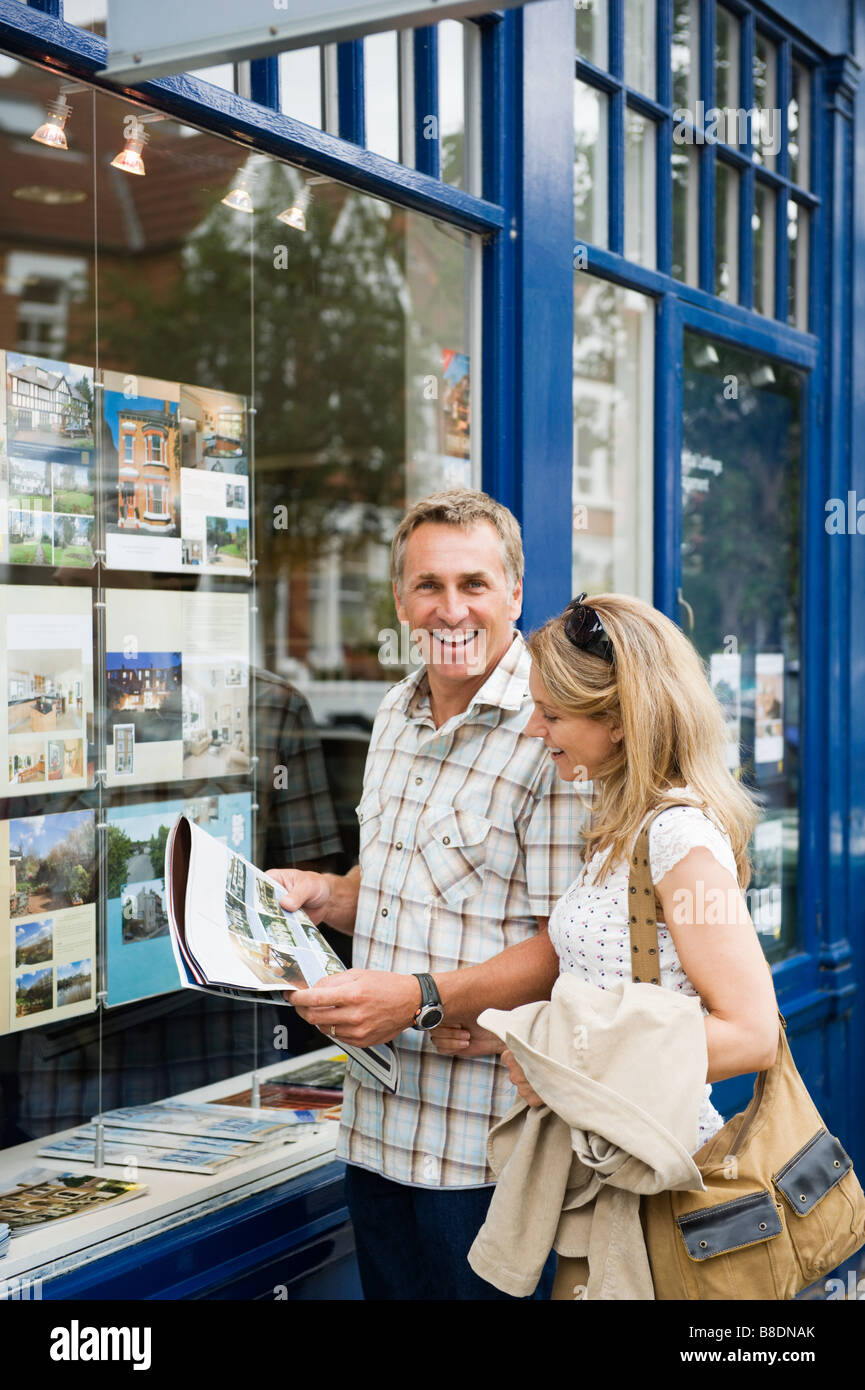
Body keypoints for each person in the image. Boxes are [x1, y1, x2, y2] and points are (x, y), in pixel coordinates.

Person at [267, 489, 585, 1301]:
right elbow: (405, 880)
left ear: (515, 592)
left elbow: (573, 943)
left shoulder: (552, 729)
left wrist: (421, 999)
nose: (450, 609)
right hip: (375, 1132)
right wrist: (325, 896)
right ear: (400, 599)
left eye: (473, 584)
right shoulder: (392, 712)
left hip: (490, 1150)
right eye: (427, 586)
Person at [447, 593, 779, 1180]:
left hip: (652, 1168)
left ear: (621, 720)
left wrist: (566, 1061)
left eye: (551, 713)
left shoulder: (679, 838)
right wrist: (528, 1034)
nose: (533, 727)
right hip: (608, 1158)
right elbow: (610, 985)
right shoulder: (625, 820)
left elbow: (752, 1036)